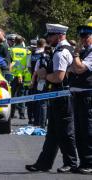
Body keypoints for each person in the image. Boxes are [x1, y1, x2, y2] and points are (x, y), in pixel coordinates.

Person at [25, 23, 77, 173]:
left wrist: (44, 75)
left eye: (51, 35)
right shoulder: (66, 49)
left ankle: (71, 163)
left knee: (65, 132)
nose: (48, 38)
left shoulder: (61, 52)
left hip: (62, 96)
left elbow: (59, 77)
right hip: (59, 96)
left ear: (59, 36)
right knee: (53, 133)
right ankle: (43, 163)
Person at [69, 16, 92, 174]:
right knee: (79, 131)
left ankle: (89, 162)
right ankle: (83, 161)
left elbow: (80, 68)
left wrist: (76, 55)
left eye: (86, 36)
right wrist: (77, 57)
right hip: (77, 95)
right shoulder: (84, 51)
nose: (83, 39)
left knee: (88, 130)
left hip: (87, 96)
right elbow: (71, 69)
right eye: (81, 36)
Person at [10, 35, 31, 119]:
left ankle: (11, 113)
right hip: (23, 75)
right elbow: (28, 65)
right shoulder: (27, 51)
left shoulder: (11, 50)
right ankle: (22, 114)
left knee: (12, 94)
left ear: (14, 41)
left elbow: (9, 63)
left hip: (13, 75)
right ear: (22, 42)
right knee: (21, 95)